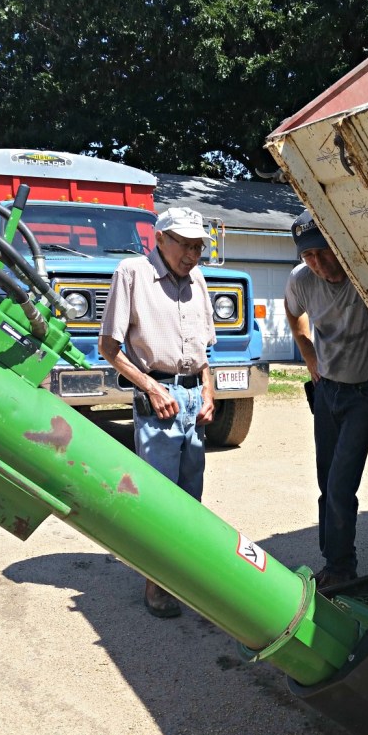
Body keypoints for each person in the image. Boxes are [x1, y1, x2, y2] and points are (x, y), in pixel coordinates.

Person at [99, 206, 216, 618]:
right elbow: (108, 350)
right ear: (160, 239)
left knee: (190, 497)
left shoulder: (198, 279)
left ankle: (182, 576)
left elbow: (204, 352)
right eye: (183, 243)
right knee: (159, 500)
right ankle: (155, 587)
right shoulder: (132, 273)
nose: (191, 253)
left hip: (191, 400)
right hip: (158, 399)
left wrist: (208, 393)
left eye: (198, 245)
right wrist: (150, 387)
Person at [285, 209, 368, 590]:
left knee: (341, 482)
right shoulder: (301, 280)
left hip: (367, 391)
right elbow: (294, 315)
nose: (316, 264)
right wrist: (309, 355)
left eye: (322, 252)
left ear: (338, 244)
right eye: (307, 257)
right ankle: (331, 556)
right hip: (327, 389)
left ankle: (341, 567)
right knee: (325, 479)